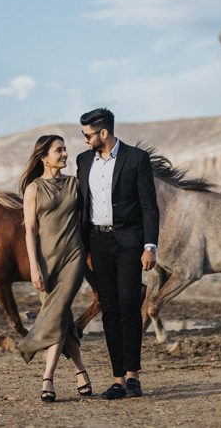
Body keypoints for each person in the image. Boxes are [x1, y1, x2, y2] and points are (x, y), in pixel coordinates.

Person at [76, 107, 159, 400]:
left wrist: (150, 246)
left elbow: (149, 205)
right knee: (109, 307)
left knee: (128, 303)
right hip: (97, 242)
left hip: (129, 242)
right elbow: (81, 203)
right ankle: (118, 380)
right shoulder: (83, 160)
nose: (84, 139)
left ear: (104, 133)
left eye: (87, 134)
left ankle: (133, 376)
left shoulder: (136, 159)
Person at [17, 134, 92, 402]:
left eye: (65, 149)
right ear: (44, 157)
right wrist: (34, 267)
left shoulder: (75, 184)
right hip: (46, 261)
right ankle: (81, 370)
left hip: (73, 256)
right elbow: (30, 231)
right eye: (59, 150)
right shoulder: (33, 189)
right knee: (62, 318)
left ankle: (46, 375)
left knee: (58, 312)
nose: (64, 154)